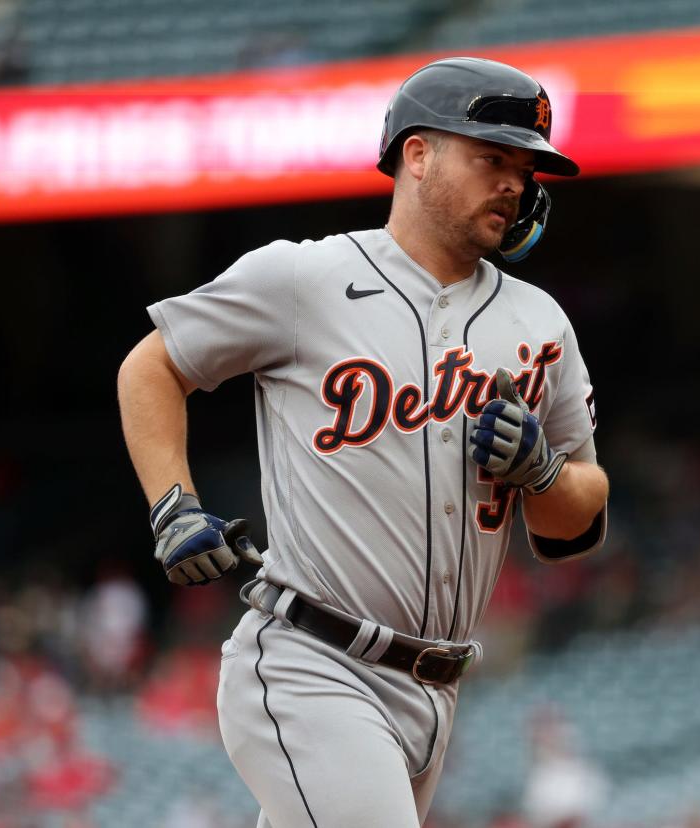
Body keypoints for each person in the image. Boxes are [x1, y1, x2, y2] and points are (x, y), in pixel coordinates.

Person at [116, 57, 608, 827]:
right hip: (313, 663)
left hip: (437, 691)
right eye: (491, 157)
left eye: (524, 166)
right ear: (418, 155)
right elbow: (152, 367)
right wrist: (174, 505)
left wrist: (542, 471)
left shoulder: (539, 322)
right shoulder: (304, 279)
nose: (514, 182)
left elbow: (575, 521)